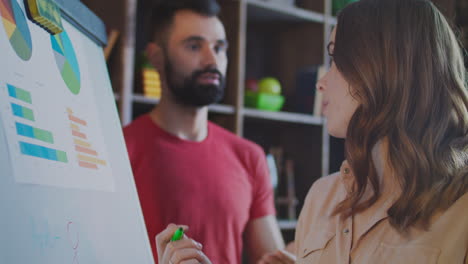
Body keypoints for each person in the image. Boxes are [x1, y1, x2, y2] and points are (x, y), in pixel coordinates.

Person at [257, 0, 468, 263]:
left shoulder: (461, 209)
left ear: (387, 68)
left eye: (336, 60)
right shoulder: (321, 197)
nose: (321, 83)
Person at [123, 0, 285, 263]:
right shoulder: (120, 151)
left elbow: (272, 257)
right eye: (194, 46)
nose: (212, 60)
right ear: (156, 57)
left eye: (219, 47)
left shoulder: (249, 156)